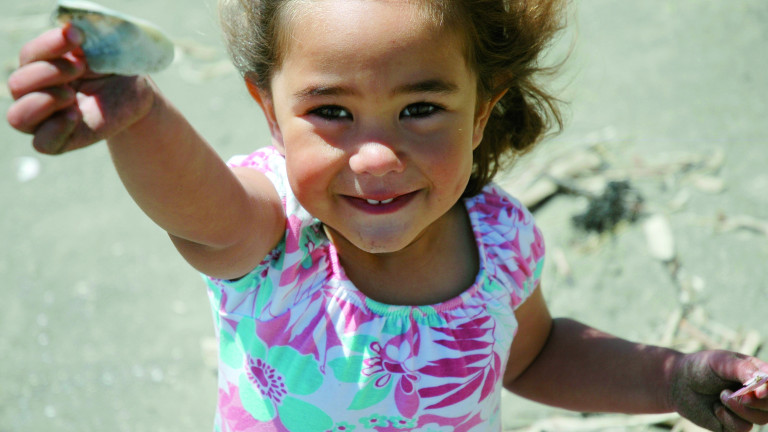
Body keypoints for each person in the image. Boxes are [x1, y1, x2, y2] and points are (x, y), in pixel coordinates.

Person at [6, 0, 768, 430]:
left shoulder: (501, 240)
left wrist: (670, 379)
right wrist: (139, 117)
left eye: (422, 108)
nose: (376, 157)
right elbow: (201, 211)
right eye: (331, 110)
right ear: (269, 111)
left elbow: (533, 356)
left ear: (481, 114)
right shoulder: (274, 232)